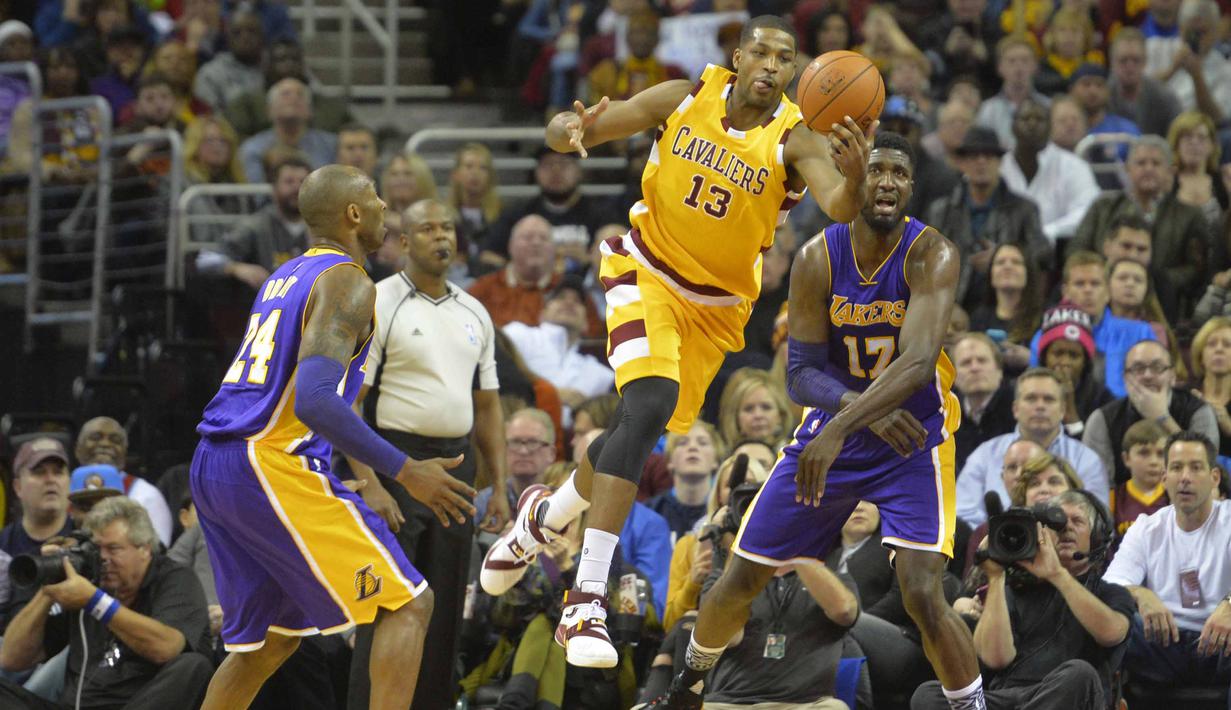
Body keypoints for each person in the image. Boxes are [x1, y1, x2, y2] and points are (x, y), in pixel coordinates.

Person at [481, 14, 874, 672]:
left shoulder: (795, 139)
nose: (771, 65)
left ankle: (543, 514)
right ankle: (587, 596)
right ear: (739, 55)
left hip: (715, 310)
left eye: (786, 57)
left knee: (634, 432)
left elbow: (837, 205)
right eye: (761, 52)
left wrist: (857, 178)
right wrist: (569, 127)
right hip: (643, 272)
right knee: (646, 404)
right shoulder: (683, 97)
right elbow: (582, 128)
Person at [649, 131, 994, 710]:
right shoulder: (816, 257)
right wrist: (852, 419)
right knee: (740, 578)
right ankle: (687, 684)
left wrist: (843, 425)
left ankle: (972, 705)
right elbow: (801, 373)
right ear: (851, 180)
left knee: (922, 593)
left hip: (915, 438)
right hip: (839, 430)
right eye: (876, 169)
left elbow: (915, 363)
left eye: (899, 175)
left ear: (910, 189)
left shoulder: (931, 253)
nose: (887, 182)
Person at [187, 164, 476, 709]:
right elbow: (315, 400)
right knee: (409, 604)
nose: (385, 209)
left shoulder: (286, 275)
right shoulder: (348, 280)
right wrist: (406, 469)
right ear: (352, 214)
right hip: (267, 461)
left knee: (267, 646)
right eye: (375, 198)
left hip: (216, 460)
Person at [344, 198, 510, 710]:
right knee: (390, 605)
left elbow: (488, 406)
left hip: (457, 465)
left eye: (448, 228)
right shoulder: (379, 300)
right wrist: (370, 482)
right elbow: (348, 400)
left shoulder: (474, 310)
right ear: (402, 241)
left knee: (443, 610)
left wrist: (500, 486)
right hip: (394, 459)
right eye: (427, 228)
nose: (441, 237)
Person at [914, 490, 1134, 710]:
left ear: (1097, 536)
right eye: (1057, 523)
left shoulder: (1111, 593)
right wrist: (996, 576)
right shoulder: (1015, 590)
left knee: (1080, 674)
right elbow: (995, 658)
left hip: (1064, 694)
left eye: (1077, 521)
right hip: (1007, 699)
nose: (1066, 527)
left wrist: (1056, 574)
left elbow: (1111, 634)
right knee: (929, 694)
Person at [0, 497, 214, 709]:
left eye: (113, 549)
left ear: (145, 549)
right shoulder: (87, 583)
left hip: (138, 704)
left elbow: (167, 648)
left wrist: (95, 601)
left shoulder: (175, 579)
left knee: (194, 665)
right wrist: (48, 588)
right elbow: (11, 658)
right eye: (96, 549)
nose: (102, 559)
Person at [1102, 431, 1231, 694]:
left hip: (1223, 646)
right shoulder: (1146, 527)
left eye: (1196, 468)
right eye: (1176, 468)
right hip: (1161, 642)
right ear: (1164, 478)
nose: (1185, 477)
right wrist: (1141, 594)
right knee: (1112, 620)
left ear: (1214, 477)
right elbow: (1109, 585)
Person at [1071, 136, 1212, 313]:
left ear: (1170, 171)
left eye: (1155, 163)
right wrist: (1106, 277)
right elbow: (1076, 252)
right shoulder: (1103, 207)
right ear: (1127, 169)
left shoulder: (1190, 215)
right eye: (1141, 163)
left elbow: (1197, 269)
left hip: (1165, 302)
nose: (1148, 169)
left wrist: (1154, 280)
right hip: (1101, 295)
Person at [957, 368, 1109, 526]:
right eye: (1031, 399)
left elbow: (1097, 520)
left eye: (1048, 399)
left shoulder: (1087, 459)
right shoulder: (985, 454)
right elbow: (964, 516)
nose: (1040, 406)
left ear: (1063, 410)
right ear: (1015, 409)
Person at [924, 126, 1049, 310]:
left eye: (989, 156)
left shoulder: (1024, 209)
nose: (981, 162)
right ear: (962, 163)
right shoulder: (941, 210)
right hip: (951, 305)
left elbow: (1043, 254)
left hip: (1007, 304)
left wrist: (1001, 257)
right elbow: (925, 260)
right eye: (974, 156)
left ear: (1000, 162)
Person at [1083, 339, 1220, 485]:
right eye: (1138, 368)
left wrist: (1163, 418)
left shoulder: (1198, 411)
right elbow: (1098, 486)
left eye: (1157, 367)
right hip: (1121, 504)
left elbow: (1204, 472)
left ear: (1172, 376)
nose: (1147, 375)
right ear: (1125, 378)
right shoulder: (1102, 419)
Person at [1028, 250, 1157, 399]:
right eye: (1080, 284)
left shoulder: (1140, 333)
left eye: (1095, 284)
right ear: (1065, 292)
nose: (1088, 290)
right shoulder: (1045, 335)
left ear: (1108, 291)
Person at [196, 154, 311, 290]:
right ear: (273, 188)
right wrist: (235, 268)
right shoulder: (255, 226)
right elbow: (205, 259)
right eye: (289, 182)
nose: (297, 188)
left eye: (303, 182)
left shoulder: (324, 227)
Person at [503, 274, 616, 411]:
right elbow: (499, 378)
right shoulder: (518, 334)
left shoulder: (599, 375)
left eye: (578, 301)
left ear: (586, 323)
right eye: (560, 297)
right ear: (542, 314)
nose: (569, 303)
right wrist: (553, 394)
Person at [998, 97, 1100, 243]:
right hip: (1003, 251)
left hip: (1058, 253)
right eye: (1025, 119)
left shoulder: (1074, 166)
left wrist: (1042, 234)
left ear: (1050, 127)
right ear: (1012, 126)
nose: (1032, 124)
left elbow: (1087, 212)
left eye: (1039, 119)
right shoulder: (999, 167)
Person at [73, 418, 174, 547]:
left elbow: (156, 556)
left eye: (115, 440)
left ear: (125, 452)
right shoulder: (59, 488)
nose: (105, 444)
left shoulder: (147, 495)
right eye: (96, 437)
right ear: (77, 449)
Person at [1036, 302, 1114, 438]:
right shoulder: (1024, 390)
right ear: (1044, 358)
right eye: (1058, 353)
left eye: (1074, 355)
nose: (1065, 363)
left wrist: (1071, 415)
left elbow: (1094, 456)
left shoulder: (1103, 400)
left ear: (1085, 362)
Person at [239, 78, 338, 183]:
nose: (293, 98)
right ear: (269, 110)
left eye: (300, 94)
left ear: (310, 111)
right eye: (285, 94)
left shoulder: (331, 145)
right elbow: (256, 192)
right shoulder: (253, 148)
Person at [647, 421, 723, 543]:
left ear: (716, 460)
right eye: (682, 443)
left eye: (703, 443)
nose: (693, 447)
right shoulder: (651, 512)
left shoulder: (724, 512)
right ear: (669, 461)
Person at [952, 333, 1017, 470]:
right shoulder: (946, 414)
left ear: (999, 370)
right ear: (954, 377)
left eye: (982, 360)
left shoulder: (1019, 407)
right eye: (966, 363)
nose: (974, 368)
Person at [976, 36, 1051, 149]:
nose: (1018, 67)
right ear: (1000, 67)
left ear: (1035, 66)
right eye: (1011, 61)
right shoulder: (988, 110)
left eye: (1025, 60)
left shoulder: (1048, 106)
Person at [1106, 27, 1181, 137]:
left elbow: (1177, 134)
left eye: (1136, 60)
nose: (1130, 67)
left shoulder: (1163, 97)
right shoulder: (1102, 97)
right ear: (1112, 63)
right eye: (1123, 60)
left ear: (1145, 62)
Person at [192, 9, 264, 113]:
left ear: (262, 36)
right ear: (228, 38)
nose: (245, 37)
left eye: (251, 31)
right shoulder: (210, 73)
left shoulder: (273, 69)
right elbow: (207, 118)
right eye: (237, 32)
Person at [1110, 419, 1169, 537]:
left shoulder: (1175, 496)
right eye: (1144, 453)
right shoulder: (1113, 498)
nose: (1154, 462)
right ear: (1126, 458)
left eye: (1161, 454)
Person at [1190, 317, 1231, 460]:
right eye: (1211, 344)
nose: (1219, 349)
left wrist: (1228, 426)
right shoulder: (1185, 397)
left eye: (1227, 345)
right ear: (1200, 355)